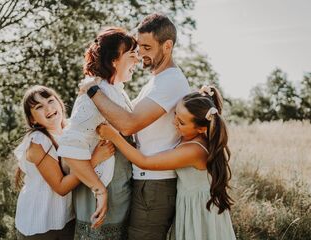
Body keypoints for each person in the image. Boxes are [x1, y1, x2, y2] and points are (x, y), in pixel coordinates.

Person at [79, 13, 190, 239]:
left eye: (147, 47)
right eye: (139, 47)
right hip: (143, 179)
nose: (140, 54)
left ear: (167, 46)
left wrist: (92, 90)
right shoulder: (156, 80)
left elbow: (128, 125)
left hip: (156, 184)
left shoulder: (171, 81)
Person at [97, 86, 236, 240]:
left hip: (200, 209)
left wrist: (114, 136)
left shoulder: (194, 151)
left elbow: (145, 162)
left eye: (181, 122)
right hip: (189, 204)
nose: (174, 122)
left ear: (201, 129)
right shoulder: (193, 137)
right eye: (175, 114)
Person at [57, 27, 139, 239]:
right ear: (114, 60)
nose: (137, 61)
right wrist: (99, 190)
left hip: (119, 188)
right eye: (132, 56)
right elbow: (69, 145)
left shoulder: (116, 91)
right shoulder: (95, 94)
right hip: (101, 190)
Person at [14, 85, 115, 240]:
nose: (48, 108)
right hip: (39, 221)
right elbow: (60, 187)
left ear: (60, 103)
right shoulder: (38, 141)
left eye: (50, 101)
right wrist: (94, 160)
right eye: (39, 107)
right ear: (33, 119)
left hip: (65, 217)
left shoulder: (68, 130)